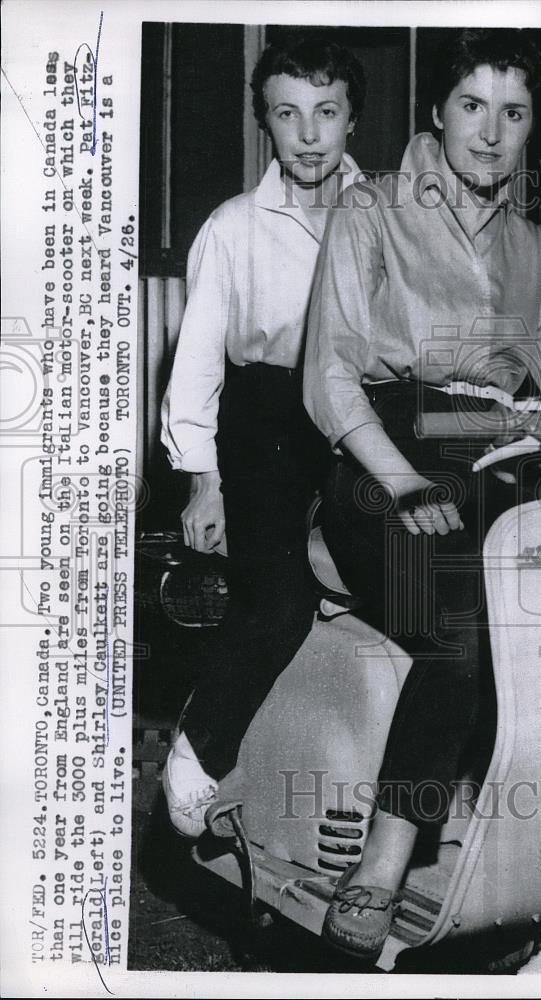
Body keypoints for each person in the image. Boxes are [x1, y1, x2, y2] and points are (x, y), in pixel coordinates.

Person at [303, 28, 541, 959]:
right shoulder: (370, 212)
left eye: (514, 112)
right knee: (458, 629)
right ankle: (384, 864)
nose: (491, 132)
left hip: (496, 456)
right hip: (383, 455)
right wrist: (401, 484)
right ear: (437, 114)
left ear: (532, 128)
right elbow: (328, 375)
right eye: (473, 106)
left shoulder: (532, 245)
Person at [160, 33, 365, 837]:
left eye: (326, 113)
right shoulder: (234, 227)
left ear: (351, 122)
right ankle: (200, 749)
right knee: (280, 601)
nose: (309, 134)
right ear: (266, 126)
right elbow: (199, 362)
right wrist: (202, 482)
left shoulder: (384, 217)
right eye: (288, 114)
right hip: (266, 420)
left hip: (357, 417)